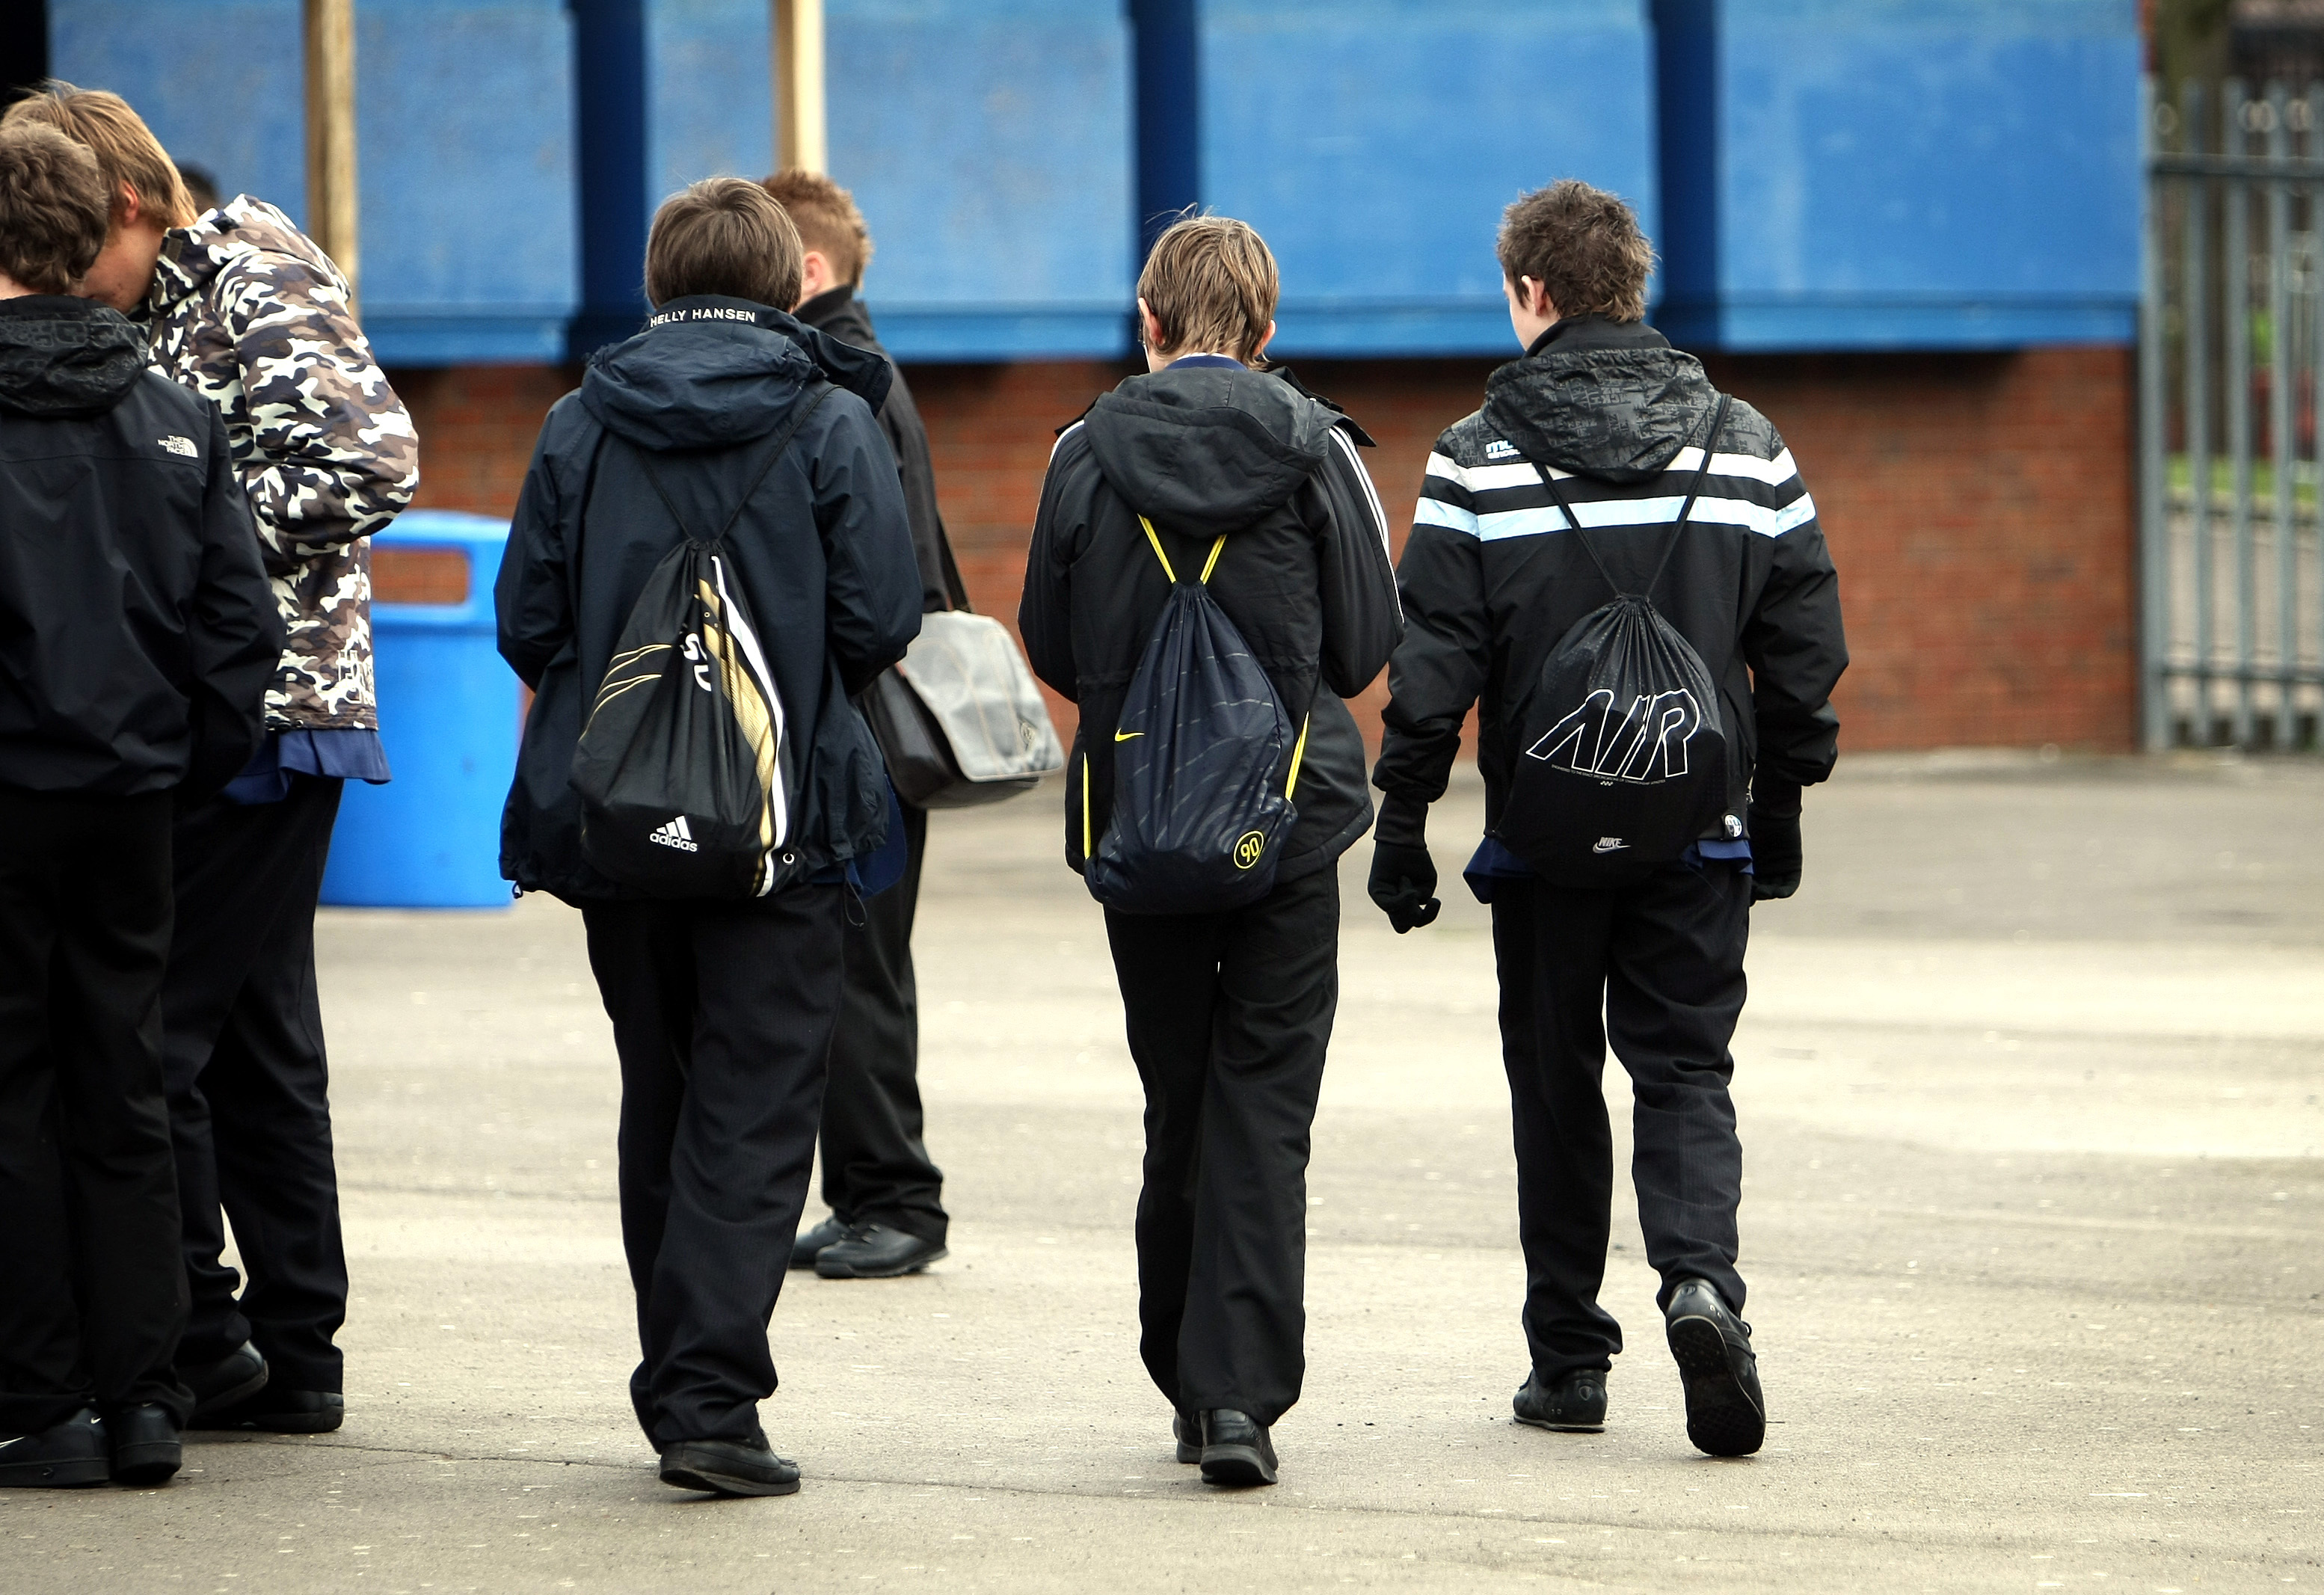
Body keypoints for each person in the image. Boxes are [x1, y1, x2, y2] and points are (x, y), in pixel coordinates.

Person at [1365, 179, 1846, 1458]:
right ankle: (1702, 1284)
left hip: (1543, 836)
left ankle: (1570, 1360)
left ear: (1531, 291)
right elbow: (1805, 643)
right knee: (1685, 1066)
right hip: (1700, 822)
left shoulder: (1475, 456)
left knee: (1555, 1079)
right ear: (1635, 284)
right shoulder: (1745, 443)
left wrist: (1404, 818)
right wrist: (1781, 802)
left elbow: (1433, 659)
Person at [4, 82, 419, 1436]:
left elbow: (371, 463)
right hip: (235, 698)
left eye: (91, 251)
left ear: (131, 205)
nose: (81, 283)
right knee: (255, 1039)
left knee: (159, 1035)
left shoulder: (252, 270)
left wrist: (183, 516)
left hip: (271, 705)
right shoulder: (171, 298)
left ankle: (194, 1336)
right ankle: (293, 1350)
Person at [496, 178, 920, 1496]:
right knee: (757, 1101)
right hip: (784, 823)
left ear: (656, 282)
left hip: (619, 822)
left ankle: (677, 1380)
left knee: (662, 1089)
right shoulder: (829, 417)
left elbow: (526, 620)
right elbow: (882, 619)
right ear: (791, 282)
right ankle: (709, 1404)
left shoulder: (579, 421)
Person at [1018, 215, 1401, 1488]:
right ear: (1268, 330)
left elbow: (1051, 642)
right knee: (1266, 1103)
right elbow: (1365, 645)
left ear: (1150, 323)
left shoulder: (1082, 452)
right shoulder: (1318, 448)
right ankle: (1238, 1397)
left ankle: (1185, 1371)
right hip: (1286, 820)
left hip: (1139, 820)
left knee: (1179, 1094)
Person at [0, 120, 279, 1489]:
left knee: (13, 1089)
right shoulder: (175, 413)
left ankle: (39, 1401)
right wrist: (180, 761)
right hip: (133, 798)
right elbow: (242, 630)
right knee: (125, 1081)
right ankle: (147, 1396)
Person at [761, 168, 961, 1281]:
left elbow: (872, 581)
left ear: (807, 270)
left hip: (867, 724)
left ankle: (896, 1198)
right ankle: (867, 1193)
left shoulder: (843, 379)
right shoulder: (857, 367)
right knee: (854, 960)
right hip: (873, 719)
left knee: (860, 966)